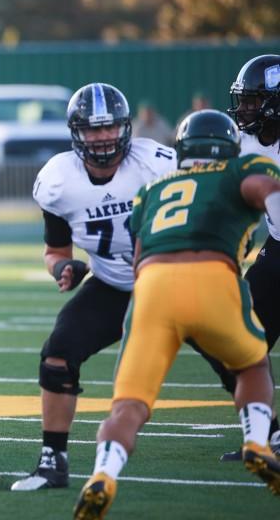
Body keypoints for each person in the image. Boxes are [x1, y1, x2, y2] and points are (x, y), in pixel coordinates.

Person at [12, 83, 237, 492]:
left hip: (175, 281)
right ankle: (53, 462)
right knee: (57, 358)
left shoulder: (160, 164)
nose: (101, 138)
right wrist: (63, 266)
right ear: (75, 133)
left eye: (109, 128)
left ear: (126, 128)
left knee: (235, 358)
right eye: (92, 130)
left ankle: (268, 437)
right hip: (114, 286)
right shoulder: (58, 181)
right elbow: (54, 248)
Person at [73, 110, 280, 519]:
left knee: (128, 406)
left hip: (151, 289)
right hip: (210, 277)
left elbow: (137, 257)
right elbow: (262, 187)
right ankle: (257, 442)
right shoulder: (243, 166)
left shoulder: (154, 188)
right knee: (252, 365)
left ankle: (103, 474)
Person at [220, 53, 280, 460]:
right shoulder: (242, 143)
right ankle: (264, 436)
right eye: (242, 100)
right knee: (239, 344)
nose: (243, 110)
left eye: (253, 101)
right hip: (276, 249)